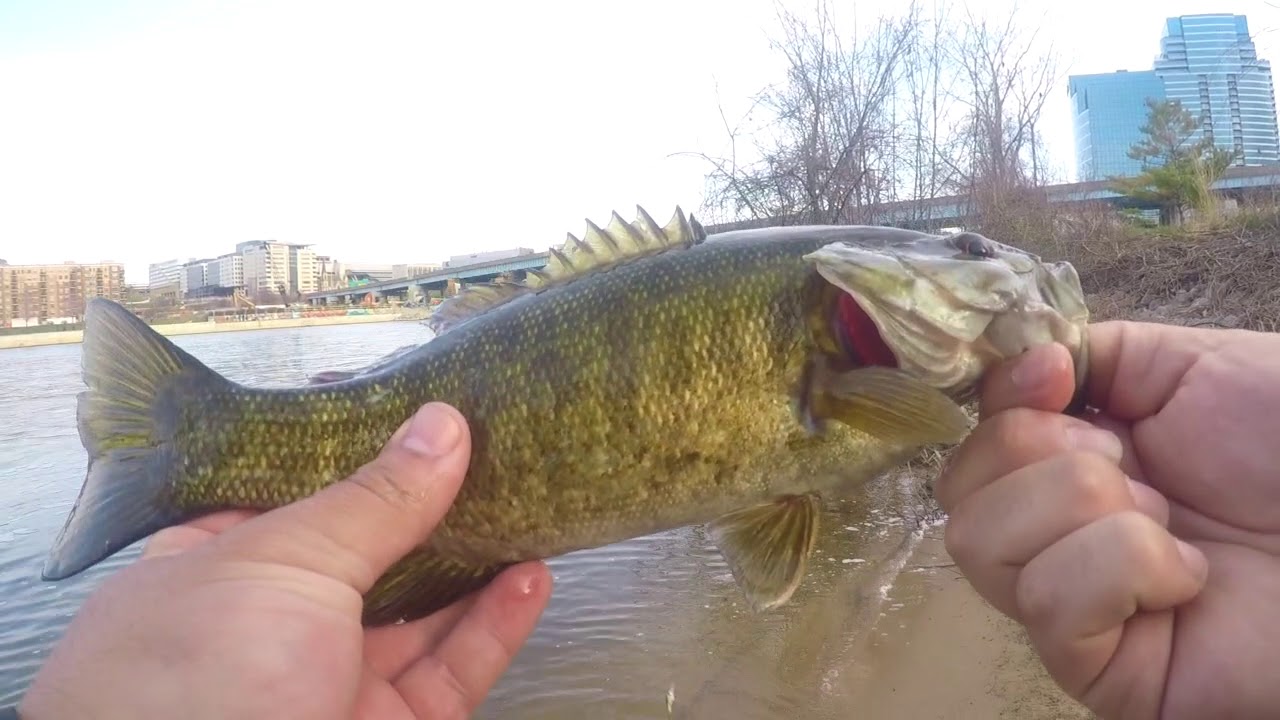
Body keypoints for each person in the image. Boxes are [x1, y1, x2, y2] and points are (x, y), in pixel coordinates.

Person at [8, 319, 1280, 718]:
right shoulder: (845, 366)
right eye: (961, 258)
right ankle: (194, 432)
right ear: (855, 310)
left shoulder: (860, 388)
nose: (999, 296)